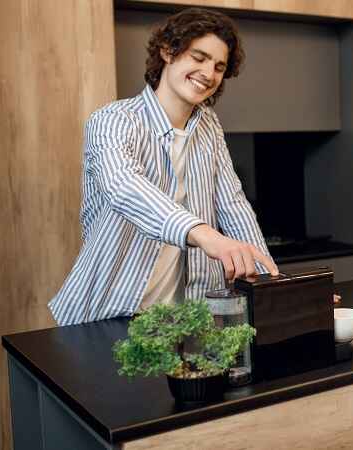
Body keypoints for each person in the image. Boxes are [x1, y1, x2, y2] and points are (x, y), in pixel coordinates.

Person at [49, 8, 278, 326]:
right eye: (199, 57)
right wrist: (205, 235)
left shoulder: (208, 126)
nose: (209, 73)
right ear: (168, 51)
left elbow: (233, 205)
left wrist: (272, 287)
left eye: (219, 66)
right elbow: (123, 186)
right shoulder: (113, 120)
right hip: (113, 310)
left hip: (191, 316)